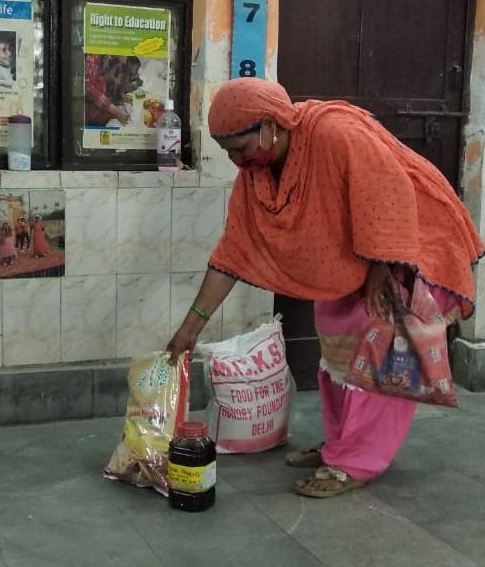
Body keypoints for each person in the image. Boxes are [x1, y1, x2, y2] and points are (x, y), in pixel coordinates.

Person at [167, 78, 483, 499]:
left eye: (239, 148)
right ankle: (342, 445)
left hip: (414, 245)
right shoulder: (257, 174)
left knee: (383, 354)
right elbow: (232, 254)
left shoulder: (335, 133)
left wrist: (381, 269)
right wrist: (190, 331)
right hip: (360, 256)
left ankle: (357, 461)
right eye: (227, 152)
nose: (236, 160)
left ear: (269, 127)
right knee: (335, 337)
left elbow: (393, 194)